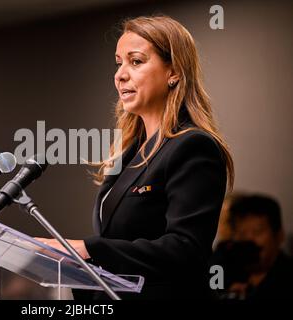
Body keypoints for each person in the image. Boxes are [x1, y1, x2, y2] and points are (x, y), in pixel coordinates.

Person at [37, 15, 234, 299]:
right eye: (119, 63)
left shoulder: (194, 146)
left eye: (136, 61)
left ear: (174, 72)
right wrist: (76, 263)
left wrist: (90, 249)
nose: (120, 74)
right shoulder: (130, 151)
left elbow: (186, 249)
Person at [222, 194, 293, 299]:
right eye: (242, 234)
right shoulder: (225, 272)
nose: (248, 240)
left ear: (279, 235)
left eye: (257, 232)